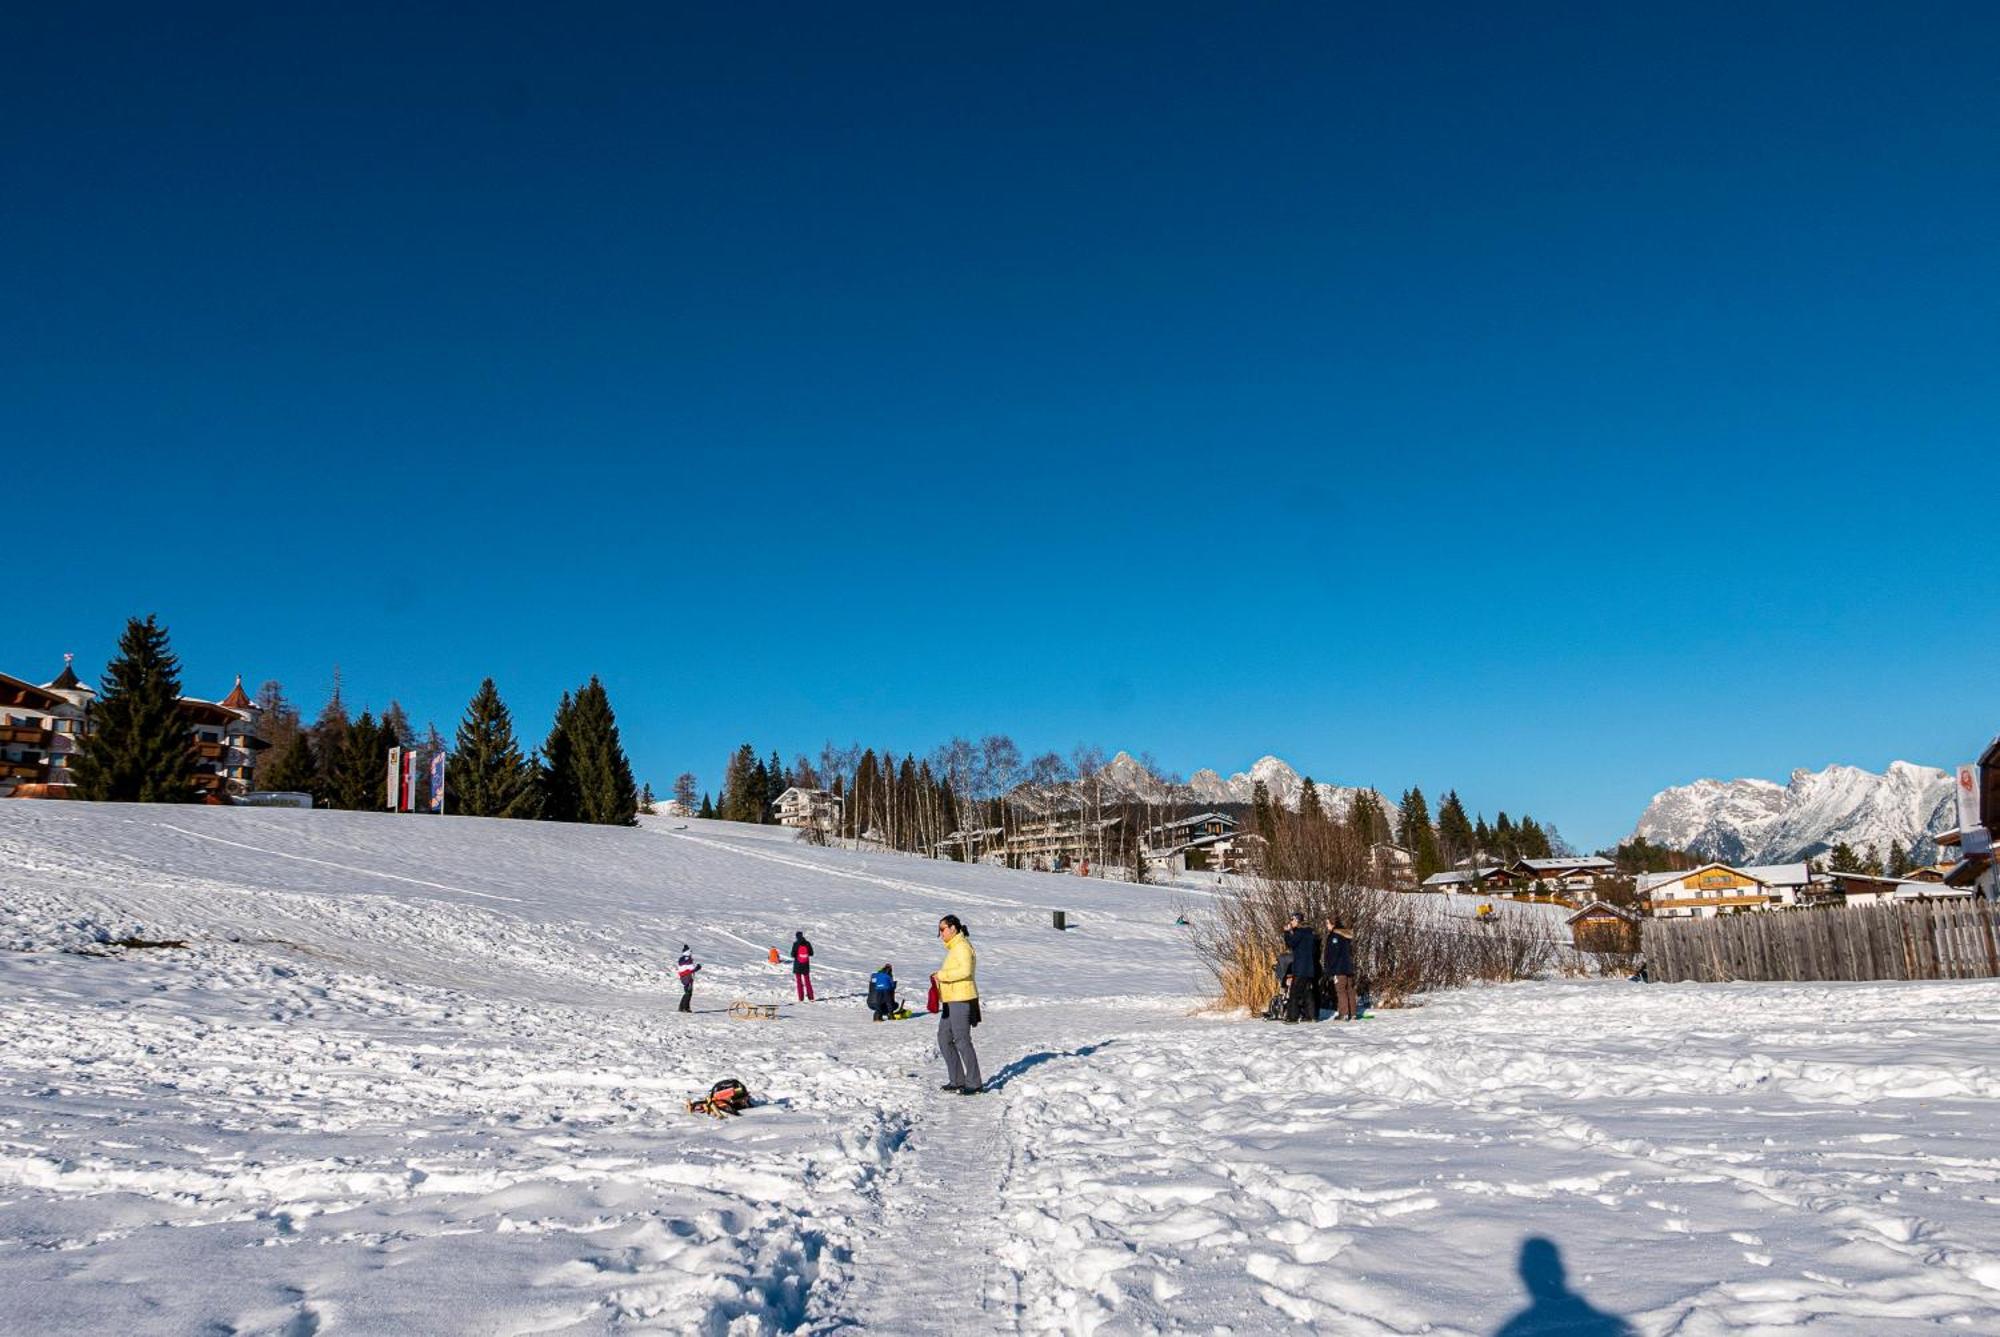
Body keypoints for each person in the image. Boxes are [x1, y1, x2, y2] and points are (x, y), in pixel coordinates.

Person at [933, 914, 981, 1093]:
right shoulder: (954, 949)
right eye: (939, 930)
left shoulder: (962, 947)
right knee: (944, 1038)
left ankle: (974, 1083)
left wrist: (942, 976)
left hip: (961, 999)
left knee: (962, 1040)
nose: (941, 934)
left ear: (953, 928)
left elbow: (965, 971)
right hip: (950, 1000)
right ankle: (957, 1079)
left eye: (942, 929)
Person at [1281, 913, 1318, 1024]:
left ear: (1297, 920)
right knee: (1307, 992)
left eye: (1292, 920)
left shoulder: (1300, 933)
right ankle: (1311, 1016)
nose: (1291, 922)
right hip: (1309, 967)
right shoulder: (1310, 933)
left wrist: (1287, 932)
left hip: (1301, 968)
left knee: (1294, 992)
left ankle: (1292, 1017)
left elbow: (1291, 944)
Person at [1322, 919, 1356, 1021]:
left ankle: (1344, 1013)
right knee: (1349, 990)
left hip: (1339, 968)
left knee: (1340, 990)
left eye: (1327, 923)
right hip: (1348, 967)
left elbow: (1333, 954)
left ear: (1333, 924)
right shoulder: (1346, 936)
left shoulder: (1335, 936)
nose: (1326, 925)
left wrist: (1329, 968)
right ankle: (1352, 1013)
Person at [676, 944, 701, 1013]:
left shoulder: (682, 958)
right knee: (688, 992)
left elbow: (683, 968)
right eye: (690, 951)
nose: (691, 953)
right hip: (687, 977)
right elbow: (691, 969)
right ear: (688, 952)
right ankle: (685, 1008)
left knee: (687, 992)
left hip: (683, 977)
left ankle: (681, 1007)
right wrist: (698, 968)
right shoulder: (688, 959)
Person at [791, 931, 815, 1002]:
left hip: (797, 965)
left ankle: (801, 998)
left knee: (799, 982)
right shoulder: (807, 943)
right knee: (807, 981)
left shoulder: (795, 944)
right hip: (805, 965)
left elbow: (792, 954)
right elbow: (811, 953)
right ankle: (811, 997)